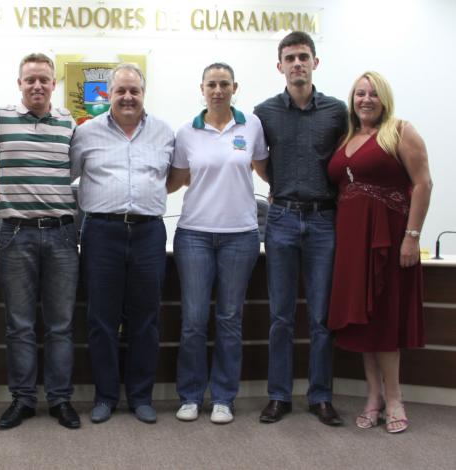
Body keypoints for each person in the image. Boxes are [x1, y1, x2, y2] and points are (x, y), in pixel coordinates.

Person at [327, 71, 432, 434]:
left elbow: (423, 183)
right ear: (352, 99)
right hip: (351, 243)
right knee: (363, 320)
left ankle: (395, 398)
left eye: (373, 93)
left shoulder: (400, 131)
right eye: (359, 93)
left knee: (385, 319)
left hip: (388, 241)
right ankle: (373, 395)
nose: (366, 99)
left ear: (384, 98)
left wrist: (412, 237)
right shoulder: (347, 137)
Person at [0, 53, 81, 430]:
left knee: (61, 325)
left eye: (44, 79)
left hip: (62, 234)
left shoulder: (70, 123)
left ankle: (59, 400)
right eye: (30, 80)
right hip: (16, 235)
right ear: (19, 83)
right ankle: (22, 400)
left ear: (54, 84)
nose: (37, 85)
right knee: (19, 325)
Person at [70, 63, 175, 424]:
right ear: (109, 95)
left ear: (143, 94)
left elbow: (173, 179)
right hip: (101, 233)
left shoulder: (164, 133)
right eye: (120, 91)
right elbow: (66, 176)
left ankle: (141, 396)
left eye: (134, 91)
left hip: (148, 233)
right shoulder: (85, 134)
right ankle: (105, 396)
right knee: (101, 319)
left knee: (146, 319)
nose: (128, 97)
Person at [254, 31, 347, 426]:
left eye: (303, 57)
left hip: (325, 220)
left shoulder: (338, 111)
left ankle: (321, 396)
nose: (297, 64)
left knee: (322, 316)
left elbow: (347, 159)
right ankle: (279, 396)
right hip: (282, 219)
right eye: (289, 58)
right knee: (281, 316)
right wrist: (276, 188)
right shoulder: (264, 111)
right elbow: (259, 160)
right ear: (279, 66)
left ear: (315, 62)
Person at [167, 63, 268, 424]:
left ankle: (224, 397)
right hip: (194, 234)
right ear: (202, 88)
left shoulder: (251, 125)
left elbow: (264, 169)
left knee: (229, 318)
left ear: (234, 87)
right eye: (212, 84)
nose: (218, 90)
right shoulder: (186, 132)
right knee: (194, 320)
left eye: (224, 84)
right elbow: (174, 182)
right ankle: (191, 396)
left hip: (240, 236)